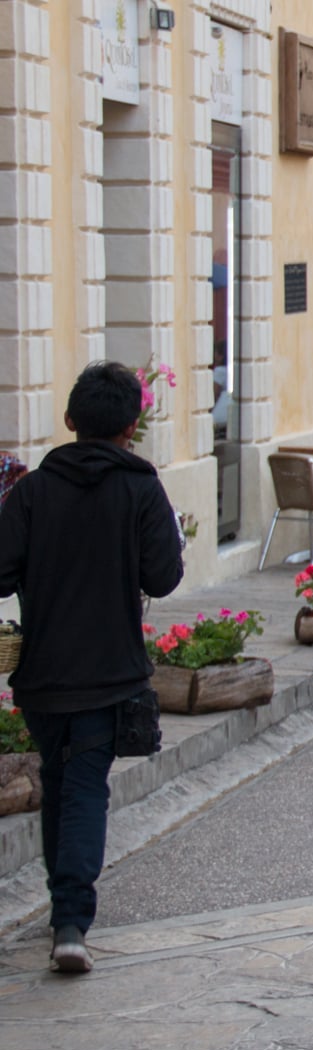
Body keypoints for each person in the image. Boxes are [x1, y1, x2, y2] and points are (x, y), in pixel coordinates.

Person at [0, 362, 185, 973]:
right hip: (109, 671)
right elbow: (163, 575)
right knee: (82, 789)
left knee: (61, 782)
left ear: (70, 421)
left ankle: (64, 911)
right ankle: (72, 922)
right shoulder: (141, 489)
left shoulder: (31, 492)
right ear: (133, 426)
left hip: (43, 678)